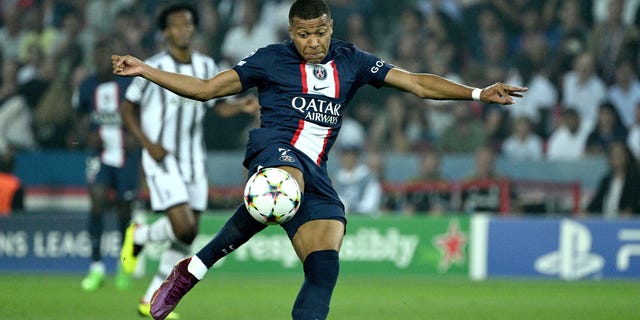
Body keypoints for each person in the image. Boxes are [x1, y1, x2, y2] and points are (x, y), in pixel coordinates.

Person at [112, 1, 526, 319]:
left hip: (316, 172)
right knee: (281, 189)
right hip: (275, 150)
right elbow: (205, 89)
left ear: (331, 27)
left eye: (321, 32)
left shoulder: (353, 60)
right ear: (291, 31)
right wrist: (146, 69)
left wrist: (476, 92)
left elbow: (417, 83)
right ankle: (192, 270)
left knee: (324, 266)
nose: (313, 42)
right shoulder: (270, 59)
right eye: (304, 34)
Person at [116, 3, 258, 319]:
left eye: (190, 24)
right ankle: (139, 235)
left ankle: (150, 295)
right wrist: (147, 144)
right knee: (182, 226)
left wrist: (239, 106)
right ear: (166, 31)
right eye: (179, 25)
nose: (186, 30)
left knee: (189, 234)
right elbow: (127, 108)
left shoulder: (207, 66)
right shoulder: (151, 67)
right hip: (162, 157)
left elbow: (215, 106)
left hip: (194, 159)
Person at [73, 36, 139, 292]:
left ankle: (124, 265)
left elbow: (142, 112)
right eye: (97, 56)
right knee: (97, 202)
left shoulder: (129, 84)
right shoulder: (87, 86)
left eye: (106, 56)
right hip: (99, 154)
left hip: (126, 155)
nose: (101, 61)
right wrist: (85, 135)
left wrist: (135, 135)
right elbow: (78, 116)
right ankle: (96, 267)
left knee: (125, 210)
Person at [586, 141, 640, 218]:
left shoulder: (634, 180)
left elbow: (634, 204)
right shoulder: (606, 180)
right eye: (612, 156)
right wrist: (586, 211)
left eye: (618, 156)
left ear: (626, 157)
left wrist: (628, 212)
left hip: (626, 223)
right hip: (605, 221)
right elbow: (596, 202)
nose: (615, 159)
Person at [333, 144, 382, 216]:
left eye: (351, 155)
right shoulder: (336, 178)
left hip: (365, 219)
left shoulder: (367, 177)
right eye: (345, 155)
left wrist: (351, 210)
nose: (347, 158)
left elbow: (370, 204)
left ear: (356, 157)